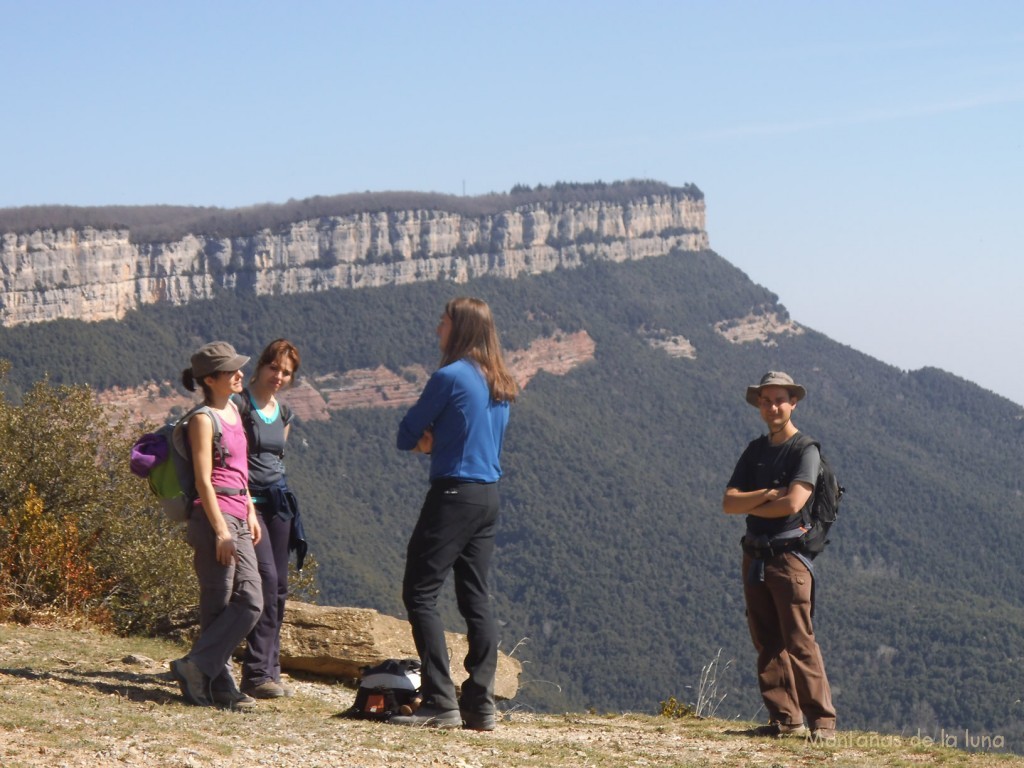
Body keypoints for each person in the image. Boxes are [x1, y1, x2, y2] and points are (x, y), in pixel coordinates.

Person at [389, 297, 519, 730]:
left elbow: (407, 433)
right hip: (488, 496)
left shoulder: (449, 377)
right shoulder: (499, 380)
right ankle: (479, 704)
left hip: (453, 492)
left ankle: (440, 700)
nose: (437, 330)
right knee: (475, 598)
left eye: (442, 322)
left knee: (420, 592)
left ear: (459, 328)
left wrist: (430, 441)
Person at [722, 371, 836, 741]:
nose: (772, 406)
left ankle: (822, 723)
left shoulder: (806, 450)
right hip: (755, 554)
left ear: (793, 403)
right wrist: (768, 495)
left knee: (799, 640)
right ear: (759, 405)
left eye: (779, 400)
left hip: (788, 558)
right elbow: (728, 502)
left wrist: (756, 501)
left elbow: (795, 502)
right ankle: (786, 720)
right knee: (766, 640)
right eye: (766, 400)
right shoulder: (756, 450)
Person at [169, 341, 264, 711]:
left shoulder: (235, 410)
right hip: (215, 518)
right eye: (231, 371)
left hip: (238, 511)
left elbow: (241, 472)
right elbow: (204, 480)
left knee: (249, 599)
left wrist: (250, 510)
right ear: (211, 379)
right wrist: (222, 530)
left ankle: (199, 668)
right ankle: (218, 682)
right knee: (219, 599)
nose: (240, 374)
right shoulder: (201, 420)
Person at [234, 339, 304, 699]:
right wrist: (244, 502)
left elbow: (278, 458)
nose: (279, 376)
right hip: (250, 504)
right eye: (274, 368)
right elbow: (233, 458)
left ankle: (270, 670)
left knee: (279, 588)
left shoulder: (284, 413)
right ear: (261, 367)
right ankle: (256, 672)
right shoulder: (240, 405)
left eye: (286, 372)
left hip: (278, 503)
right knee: (264, 581)